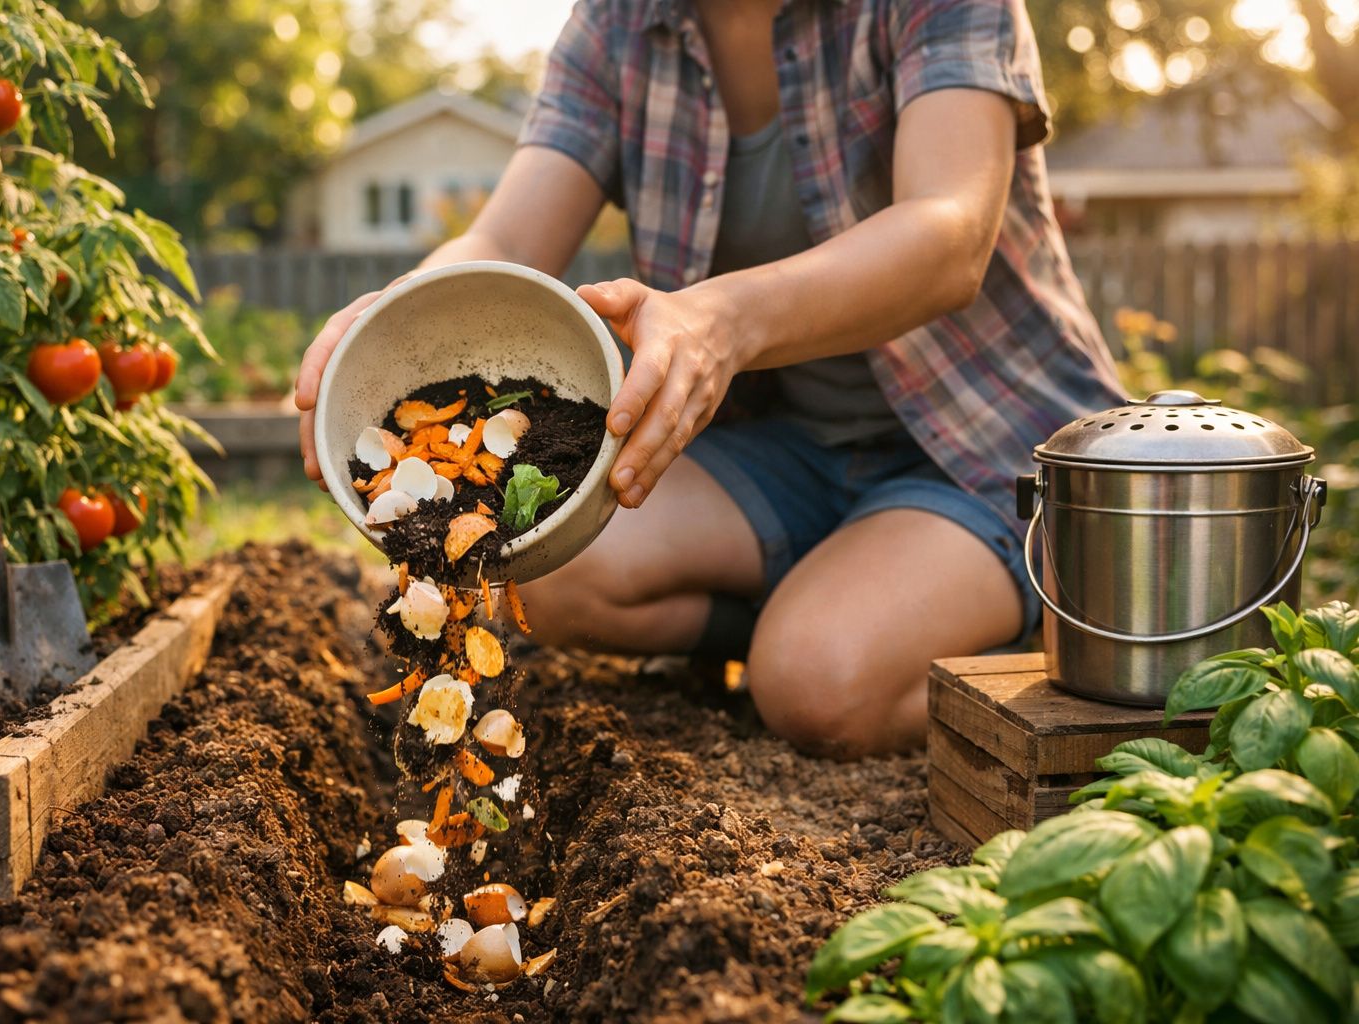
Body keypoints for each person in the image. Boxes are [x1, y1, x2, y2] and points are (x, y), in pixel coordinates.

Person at [296, 0, 1124, 759]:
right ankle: (826, 610)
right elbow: (508, 232)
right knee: (545, 561)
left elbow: (951, 235)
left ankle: (1013, 615)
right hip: (783, 452)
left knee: (819, 687)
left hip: (980, 450)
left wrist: (720, 320)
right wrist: (393, 319)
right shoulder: (620, 24)